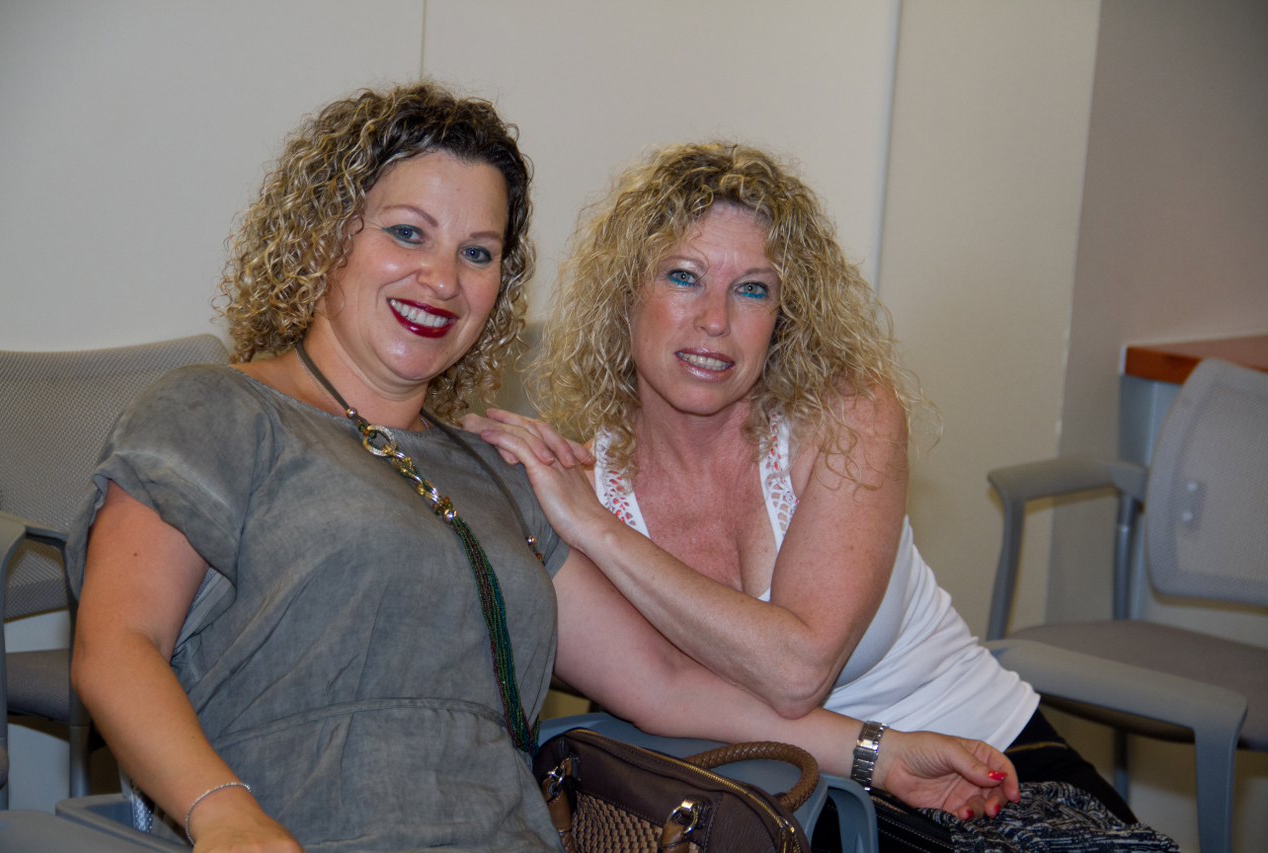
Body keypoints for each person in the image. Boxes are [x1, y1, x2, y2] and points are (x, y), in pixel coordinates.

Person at [68, 88, 1019, 853]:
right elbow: (117, 644)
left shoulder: (495, 470)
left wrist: (880, 753)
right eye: (407, 233)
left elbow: (664, 685)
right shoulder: (213, 412)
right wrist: (222, 811)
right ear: (326, 237)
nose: (443, 279)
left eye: (477, 253)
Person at [467, 142, 1167, 850]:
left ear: (785, 315)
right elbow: (664, 686)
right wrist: (877, 755)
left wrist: (601, 531)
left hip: (986, 758)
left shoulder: (845, 416)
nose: (715, 320)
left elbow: (796, 670)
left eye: (753, 289)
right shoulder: (575, 489)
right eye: (684, 277)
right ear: (625, 295)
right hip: (773, 795)